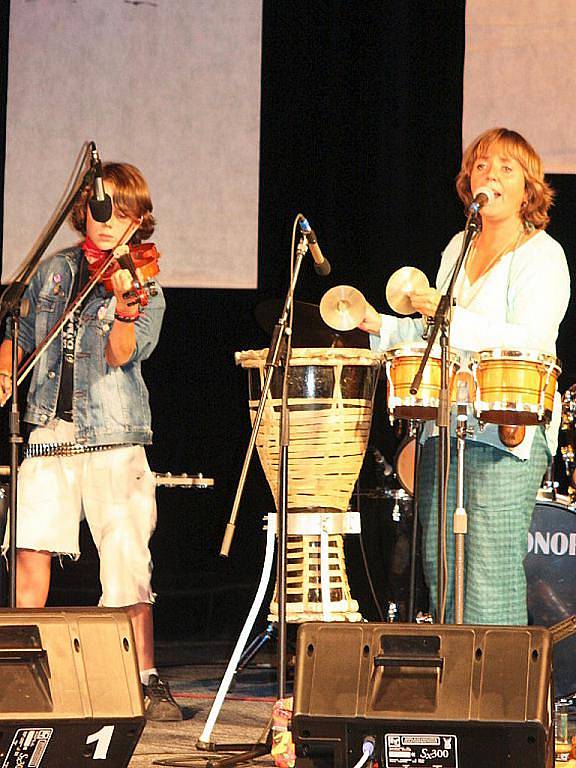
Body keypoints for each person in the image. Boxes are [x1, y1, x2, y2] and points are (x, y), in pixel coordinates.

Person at [359, 127, 570, 625]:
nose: (490, 174)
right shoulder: (458, 247)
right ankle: (457, 693)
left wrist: (452, 315)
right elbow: (437, 329)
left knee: (489, 572)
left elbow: (532, 341)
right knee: (442, 567)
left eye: (505, 167)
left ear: (529, 187)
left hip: (506, 429)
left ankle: (498, 702)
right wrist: (380, 325)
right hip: (446, 426)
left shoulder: (543, 255)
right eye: (481, 165)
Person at [0, 161, 182, 721]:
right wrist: (6, 375)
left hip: (113, 439)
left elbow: (122, 354)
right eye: (102, 211)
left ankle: (143, 677)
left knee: (128, 559)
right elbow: (20, 335)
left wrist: (124, 311)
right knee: (30, 547)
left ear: (138, 221)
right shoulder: (53, 270)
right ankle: (20, 667)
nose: (108, 223)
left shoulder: (145, 283)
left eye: (123, 214)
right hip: (49, 431)